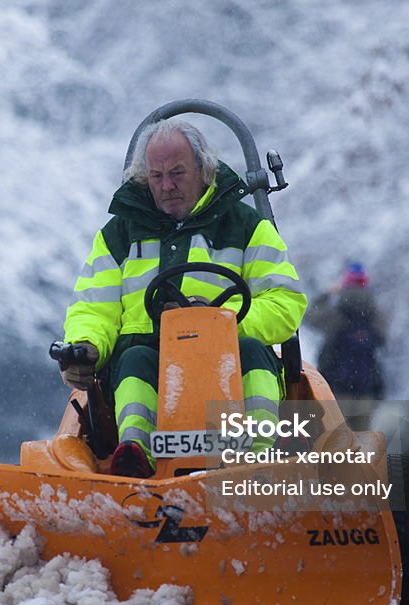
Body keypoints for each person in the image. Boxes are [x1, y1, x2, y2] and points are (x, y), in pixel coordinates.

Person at [59, 118, 308, 477]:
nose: (167, 185)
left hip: (229, 360)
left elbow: (284, 299)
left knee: (254, 353)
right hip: (147, 358)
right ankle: (134, 456)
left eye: (177, 173)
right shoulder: (118, 235)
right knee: (134, 360)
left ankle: (260, 455)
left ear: (203, 170)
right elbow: (93, 306)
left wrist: (222, 323)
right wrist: (85, 346)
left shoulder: (246, 225)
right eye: (157, 176)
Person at [311, 262, 386, 409]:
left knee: (337, 431)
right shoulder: (374, 315)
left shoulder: (336, 315)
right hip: (366, 390)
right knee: (362, 431)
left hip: (337, 389)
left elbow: (310, 316)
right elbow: (383, 340)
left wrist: (327, 294)